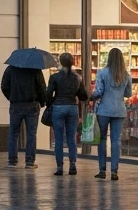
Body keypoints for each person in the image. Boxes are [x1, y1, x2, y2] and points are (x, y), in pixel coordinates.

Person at [90, 47, 132, 180]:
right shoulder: (126, 75)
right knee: (115, 141)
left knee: (101, 139)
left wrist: (91, 96)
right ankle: (114, 171)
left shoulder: (102, 73)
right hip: (119, 110)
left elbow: (99, 91)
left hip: (104, 110)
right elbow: (128, 94)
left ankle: (102, 170)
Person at [46, 52, 86, 176]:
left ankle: (59, 167)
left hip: (58, 107)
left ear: (60, 62)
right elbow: (83, 95)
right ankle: (72, 165)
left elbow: (48, 94)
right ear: (72, 62)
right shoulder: (77, 78)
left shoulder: (54, 77)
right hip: (72, 108)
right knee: (71, 138)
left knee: (58, 139)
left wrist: (50, 103)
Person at [1, 63, 46, 169]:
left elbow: (4, 86)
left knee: (13, 133)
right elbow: (41, 87)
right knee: (31, 133)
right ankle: (30, 161)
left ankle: (12, 161)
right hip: (32, 104)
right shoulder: (35, 69)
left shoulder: (10, 69)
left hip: (16, 105)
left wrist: (11, 97)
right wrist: (42, 102)